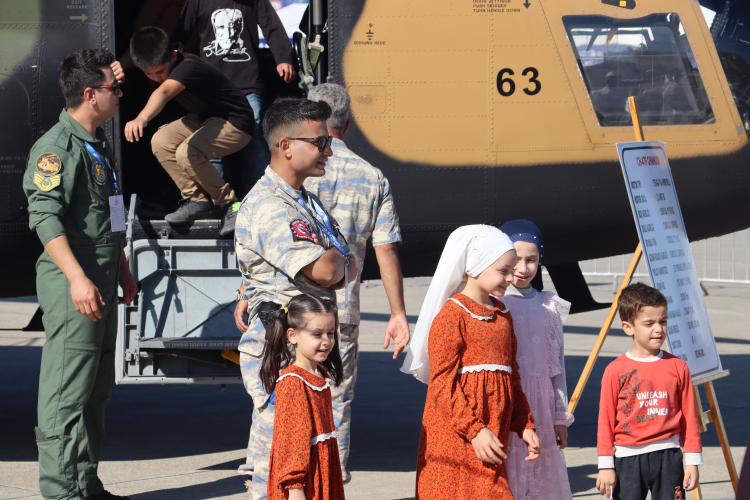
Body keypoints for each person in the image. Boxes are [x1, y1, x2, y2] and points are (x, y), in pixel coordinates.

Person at [22, 49, 137, 500]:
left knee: (94, 390)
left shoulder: (96, 143)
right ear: (90, 94)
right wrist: (76, 278)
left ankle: (85, 483)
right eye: (114, 88)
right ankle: (62, 492)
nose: (120, 94)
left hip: (102, 279)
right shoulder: (57, 147)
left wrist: (123, 266)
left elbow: (108, 214)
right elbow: (44, 217)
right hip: (77, 285)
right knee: (66, 393)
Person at [233, 97, 356, 500]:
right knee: (277, 459)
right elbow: (328, 271)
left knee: (306, 449)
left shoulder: (304, 201)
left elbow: (343, 267)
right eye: (319, 142)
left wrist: (337, 257)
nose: (329, 149)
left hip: (302, 342)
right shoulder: (272, 204)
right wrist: (338, 254)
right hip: (280, 345)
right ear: (286, 146)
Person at [303, 83, 410, 483]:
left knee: (284, 399)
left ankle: (285, 482)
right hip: (339, 312)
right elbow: (386, 252)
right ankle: (331, 483)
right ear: (346, 126)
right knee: (336, 402)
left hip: (290, 309)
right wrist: (398, 313)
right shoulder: (372, 177)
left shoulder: (292, 168)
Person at [401, 225, 541, 500]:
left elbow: (512, 377)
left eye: (512, 270)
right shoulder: (452, 317)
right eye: (504, 270)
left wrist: (524, 423)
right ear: (477, 265)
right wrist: (475, 431)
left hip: (490, 437)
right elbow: (442, 386)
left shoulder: (503, 316)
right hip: (455, 438)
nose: (512, 277)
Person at [124, 26, 255, 236]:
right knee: (161, 141)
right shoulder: (166, 65)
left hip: (236, 122)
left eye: (160, 71)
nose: (157, 77)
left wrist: (141, 118)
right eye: (150, 74)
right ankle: (198, 200)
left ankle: (231, 204)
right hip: (205, 118)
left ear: (173, 56)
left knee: (188, 151)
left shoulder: (188, 66)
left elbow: (164, 92)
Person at [172, 0, 296, 196]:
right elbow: (178, 39)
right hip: (213, 90)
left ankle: (259, 200)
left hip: (248, 84)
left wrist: (283, 59)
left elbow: (272, 27)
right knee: (212, 146)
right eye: (222, 27)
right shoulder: (199, 2)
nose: (227, 33)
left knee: (256, 145)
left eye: (232, 28)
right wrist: (183, 68)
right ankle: (218, 202)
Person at [596, 283, 702, 500]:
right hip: (628, 460)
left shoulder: (678, 367)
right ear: (628, 328)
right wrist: (605, 465)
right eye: (649, 323)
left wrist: (692, 460)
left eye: (663, 321)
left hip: (669, 457)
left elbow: (689, 418)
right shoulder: (615, 370)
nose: (658, 329)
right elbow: (605, 421)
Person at [499, 220, 574, 500]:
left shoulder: (549, 305)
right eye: (516, 259)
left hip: (540, 403)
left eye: (531, 260)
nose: (523, 267)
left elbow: (557, 369)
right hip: (508, 400)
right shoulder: (497, 301)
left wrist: (559, 418)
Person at [261, 294, 345, 500]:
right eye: (317, 334)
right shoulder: (293, 383)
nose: (327, 341)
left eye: (331, 333)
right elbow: (292, 442)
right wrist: (295, 490)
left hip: (322, 472)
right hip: (303, 484)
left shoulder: (319, 375)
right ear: (293, 335)